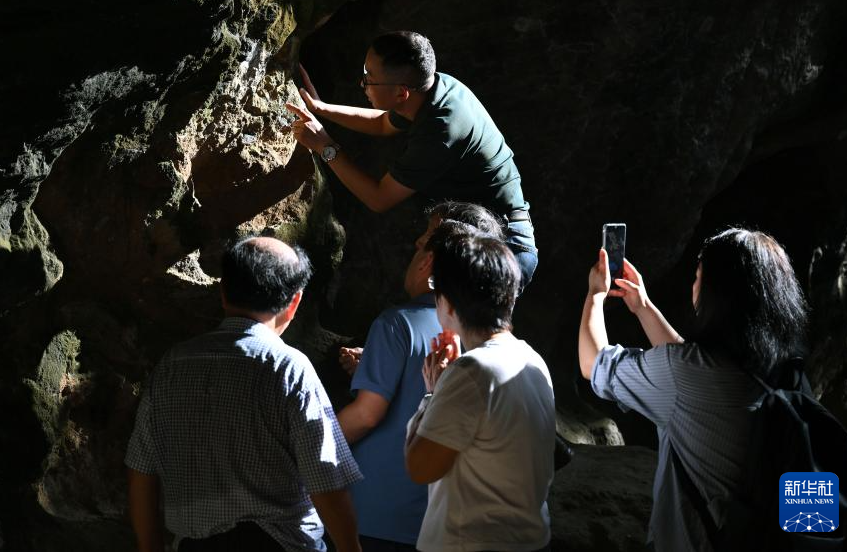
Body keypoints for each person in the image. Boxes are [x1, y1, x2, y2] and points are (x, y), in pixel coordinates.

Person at [578, 228, 810, 552]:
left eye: (699, 276)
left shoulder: (685, 374)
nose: (694, 284)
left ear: (717, 294)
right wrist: (643, 307)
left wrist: (595, 294)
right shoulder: (789, 374)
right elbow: (696, 368)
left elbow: (593, 363)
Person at [125, 236, 363, 552]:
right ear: (294, 303)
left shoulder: (172, 365)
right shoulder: (288, 368)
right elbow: (326, 477)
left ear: (223, 292)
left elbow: (141, 470)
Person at [287, 30, 538, 290]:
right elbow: (383, 123)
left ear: (401, 93)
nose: (362, 83)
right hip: (480, 235)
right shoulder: (436, 88)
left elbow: (379, 198)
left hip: (505, 248)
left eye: (369, 78)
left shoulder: (440, 131)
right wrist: (321, 108)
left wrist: (325, 146)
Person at [337, 202, 505, 551]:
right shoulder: (484, 335)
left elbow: (366, 415)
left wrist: (306, 449)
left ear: (431, 262)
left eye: (428, 237)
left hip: (377, 511)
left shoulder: (396, 323)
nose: (417, 243)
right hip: (444, 515)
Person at [405, 222, 555, 552]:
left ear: (449, 303)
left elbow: (420, 467)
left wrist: (433, 394)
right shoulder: (531, 359)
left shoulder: (471, 373)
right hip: (530, 540)